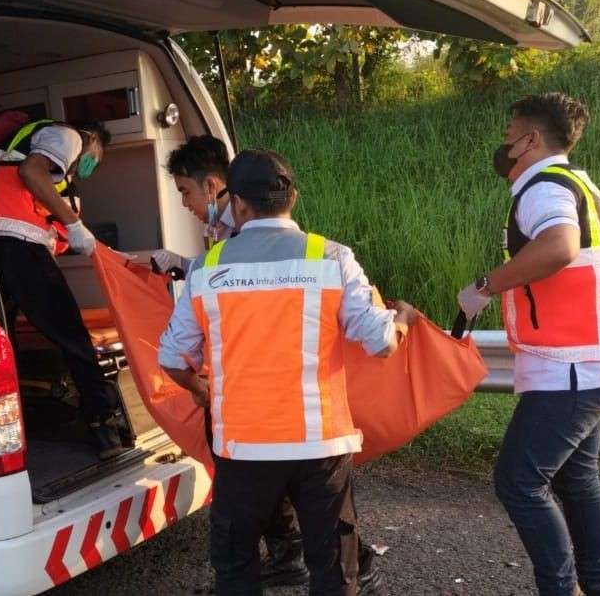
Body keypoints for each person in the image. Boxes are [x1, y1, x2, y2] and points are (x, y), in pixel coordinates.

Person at [159, 149, 415, 596]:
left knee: (236, 567)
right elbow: (381, 344)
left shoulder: (208, 267)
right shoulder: (330, 256)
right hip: (320, 446)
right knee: (334, 569)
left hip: (242, 447)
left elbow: (171, 357)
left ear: (237, 203)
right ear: (292, 197)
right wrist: (404, 320)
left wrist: (200, 388)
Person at [457, 93, 600, 596]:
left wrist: (487, 285)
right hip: (596, 357)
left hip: (570, 366)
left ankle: (562, 589)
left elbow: (559, 246)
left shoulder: (542, 188)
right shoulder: (581, 183)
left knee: (519, 482)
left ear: (531, 139)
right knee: (577, 480)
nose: (504, 145)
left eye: (509, 135)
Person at [0, 117, 126, 459]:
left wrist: (70, 229)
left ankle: (16, 427)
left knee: (2, 340)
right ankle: (102, 422)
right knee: (72, 334)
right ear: (95, 142)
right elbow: (30, 173)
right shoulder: (70, 137)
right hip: (17, 240)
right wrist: (74, 223)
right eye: (98, 157)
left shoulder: (59, 179)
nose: (92, 164)